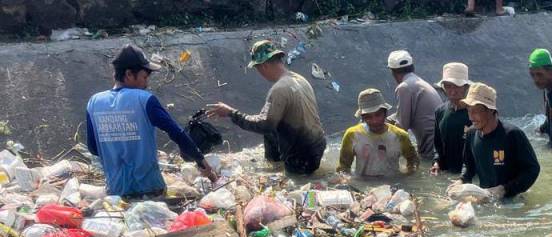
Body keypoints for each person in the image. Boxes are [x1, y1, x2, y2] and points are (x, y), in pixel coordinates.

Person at [86, 44, 216, 199]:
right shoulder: (145, 99)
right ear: (129, 74)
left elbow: (94, 149)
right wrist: (201, 161)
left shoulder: (94, 103)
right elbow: (177, 133)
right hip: (150, 190)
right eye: (144, 77)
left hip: (116, 192)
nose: (146, 84)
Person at [206, 40, 326, 175]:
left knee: (294, 180)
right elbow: (270, 127)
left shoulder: (279, 89)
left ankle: (282, 173)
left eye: (257, 69)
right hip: (318, 144)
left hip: (301, 155)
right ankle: (274, 167)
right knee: (270, 134)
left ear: (264, 66)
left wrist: (231, 113)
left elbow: (264, 125)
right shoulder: (300, 79)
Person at [459, 83, 540, 200]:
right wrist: (461, 181)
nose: (471, 117)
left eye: (476, 111)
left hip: (512, 200)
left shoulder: (512, 134)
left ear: (491, 111)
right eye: (469, 111)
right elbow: (468, 166)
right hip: (484, 198)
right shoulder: (471, 133)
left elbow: (533, 169)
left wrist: (504, 189)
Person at [338, 89, 418, 178]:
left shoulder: (400, 136)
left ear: (385, 113)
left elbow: (413, 161)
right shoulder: (352, 135)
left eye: (378, 115)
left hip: (392, 183)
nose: (374, 121)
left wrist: (408, 176)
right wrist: (346, 180)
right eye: (368, 117)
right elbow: (344, 167)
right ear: (363, 118)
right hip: (363, 182)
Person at [388, 50, 443, 159]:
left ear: (393, 71)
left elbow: (401, 127)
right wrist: (386, 119)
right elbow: (405, 112)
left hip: (431, 145)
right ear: (412, 67)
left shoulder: (404, 87)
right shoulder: (417, 82)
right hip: (439, 140)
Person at [431, 62, 472, 176]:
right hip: (447, 172)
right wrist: (436, 163)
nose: (452, 91)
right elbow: (437, 144)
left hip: (471, 174)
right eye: (448, 86)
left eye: (457, 86)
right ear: (443, 87)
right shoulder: (440, 111)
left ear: (466, 87)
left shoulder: (475, 113)